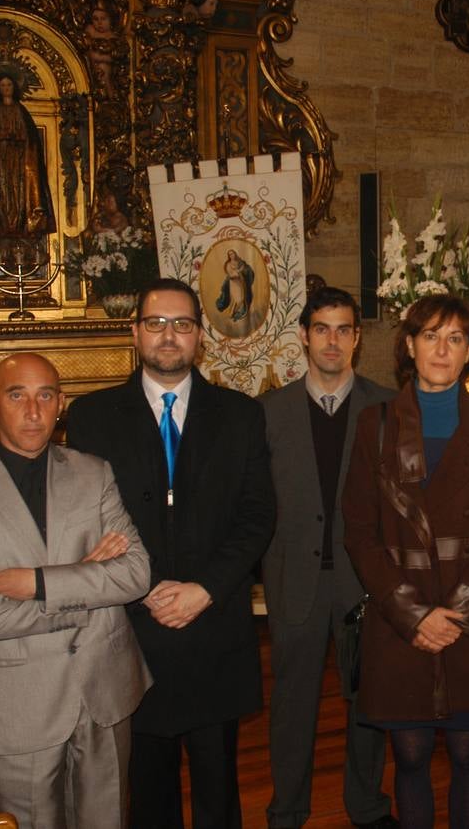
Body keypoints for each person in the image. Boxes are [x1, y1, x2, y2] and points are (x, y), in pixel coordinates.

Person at [67, 277, 275, 829]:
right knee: (147, 791)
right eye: (155, 323)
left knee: (217, 790)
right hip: (132, 630)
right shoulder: (91, 417)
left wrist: (205, 589)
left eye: (182, 324)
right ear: (135, 332)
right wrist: (146, 586)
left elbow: (257, 516)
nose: (168, 335)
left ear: (199, 336)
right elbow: (87, 521)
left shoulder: (240, 415)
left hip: (213, 626)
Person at [0, 353, 151, 829]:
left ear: (61, 403)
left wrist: (40, 583)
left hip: (104, 688)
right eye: (17, 396)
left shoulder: (94, 473)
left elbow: (136, 573)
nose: (33, 411)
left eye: (45, 396)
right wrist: (88, 581)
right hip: (20, 701)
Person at [342, 294, 469, 829]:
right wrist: (415, 616)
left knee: (468, 754)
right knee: (411, 754)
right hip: (402, 620)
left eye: (456, 338)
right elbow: (360, 532)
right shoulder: (374, 423)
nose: (442, 349)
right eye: (431, 336)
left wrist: (458, 614)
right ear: (410, 346)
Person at [259, 287, 399, 829]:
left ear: (357, 338)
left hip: (363, 582)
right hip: (294, 581)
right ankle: (286, 810)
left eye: (343, 329)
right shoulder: (268, 413)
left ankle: (367, 806)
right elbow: (255, 503)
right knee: (291, 705)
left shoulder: (387, 407)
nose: (332, 341)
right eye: (322, 329)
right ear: (303, 335)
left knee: (368, 700)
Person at [0, 72, 55, 259]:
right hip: (0, 164)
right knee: (2, 195)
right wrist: (2, 143)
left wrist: (19, 143)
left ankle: (22, 227)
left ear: (14, 87)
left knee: (21, 197)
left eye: (9, 85)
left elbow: (32, 144)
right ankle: (4, 228)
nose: (6, 88)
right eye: (3, 85)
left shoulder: (22, 112)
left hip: (21, 164)